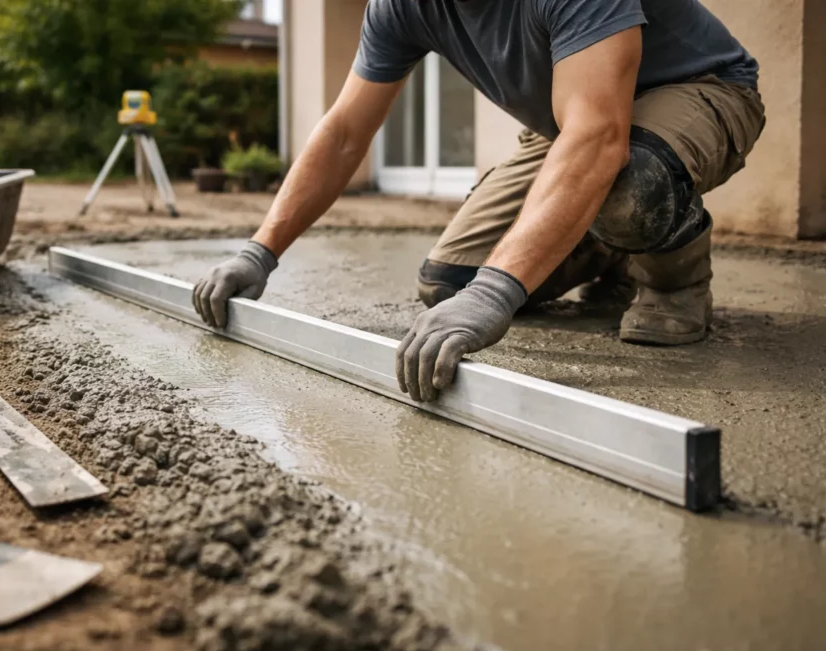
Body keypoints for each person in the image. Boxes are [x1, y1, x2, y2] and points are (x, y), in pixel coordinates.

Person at [192, 0, 765, 403]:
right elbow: (344, 132)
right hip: (570, 126)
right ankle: (614, 251)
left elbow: (597, 137)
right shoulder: (401, 6)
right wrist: (259, 252)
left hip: (701, 89)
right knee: (449, 283)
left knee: (628, 182)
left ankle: (674, 282)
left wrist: (497, 292)